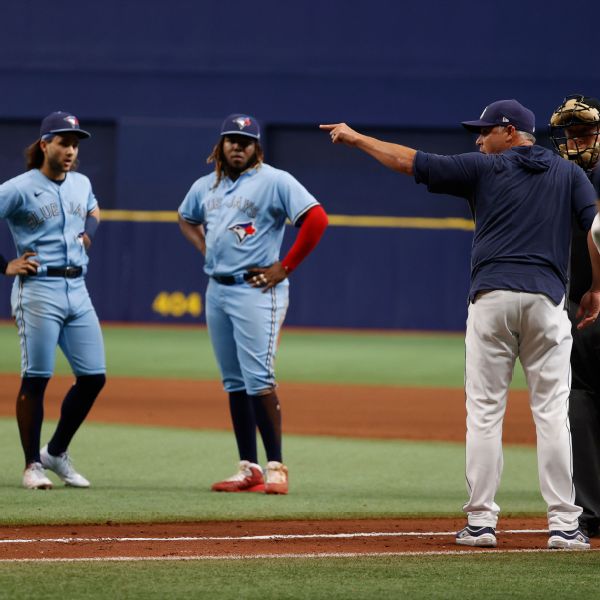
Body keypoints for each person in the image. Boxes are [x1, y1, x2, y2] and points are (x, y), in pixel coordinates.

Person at [320, 98, 600, 550]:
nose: (478, 137)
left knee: (486, 413)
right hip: (548, 302)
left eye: (485, 130)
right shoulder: (569, 174)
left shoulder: (483, 168)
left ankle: (482, 524)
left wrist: (356, 138)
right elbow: (598, 229)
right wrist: (596, 289)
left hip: (492, 298)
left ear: (510, 132)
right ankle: (565, 526)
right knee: (551, 416)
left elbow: (408, 161)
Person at [178, 113, 328, 494]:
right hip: (218, 290)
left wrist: (285, 266)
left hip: (258, 290)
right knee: (234, 383)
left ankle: (276, 467)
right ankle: (249, 468)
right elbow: (185, 218)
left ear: (256, 147)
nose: (238, 147)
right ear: (221, 145)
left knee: (258, 379)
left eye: (246, 142)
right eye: (232, 140)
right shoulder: (204, 187)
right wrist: (205, 249)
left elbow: (316, 219)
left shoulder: (274, 180)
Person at [0, 111, 106, 489]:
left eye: (75, 144)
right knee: (37, 378)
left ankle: (55, 452)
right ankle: (32, 465)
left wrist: (88, 233)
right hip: (38, 291)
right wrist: (5, 265)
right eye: (64, 142)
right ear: (45, 144)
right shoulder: (19, 187)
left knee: (94, 377)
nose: (71, 151)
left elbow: (94, 210)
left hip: (77, 289)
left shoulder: (81, 183)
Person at [549, 95, 600, 538]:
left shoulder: (567, 179)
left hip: (588, 301)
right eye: (570, 134)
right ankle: (590, 511)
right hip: (580, 307)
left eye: (583, 132)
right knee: (579, 399)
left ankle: (590, 512)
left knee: (580, 398)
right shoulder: (564, 176)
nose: (575, 141)